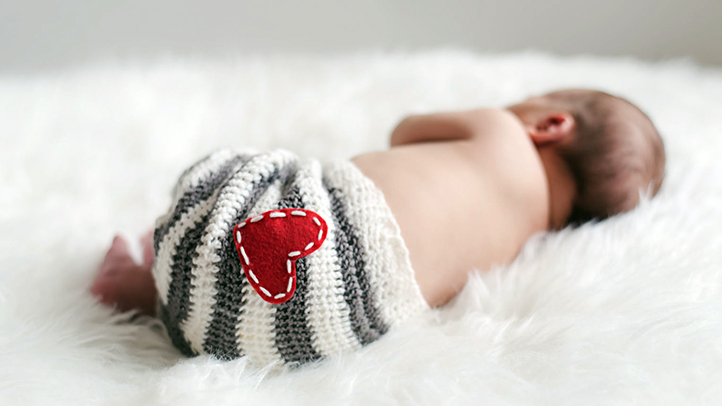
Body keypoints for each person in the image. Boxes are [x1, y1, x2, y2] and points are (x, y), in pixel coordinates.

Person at [91, 89, 665, 367]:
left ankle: (165, 265)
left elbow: (405, 130)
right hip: (324, 320)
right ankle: (160, 298)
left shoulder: (502, 131)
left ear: (551, 123)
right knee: (246, 307)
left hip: (307, 225)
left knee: (236, 177)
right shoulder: (521, 246)